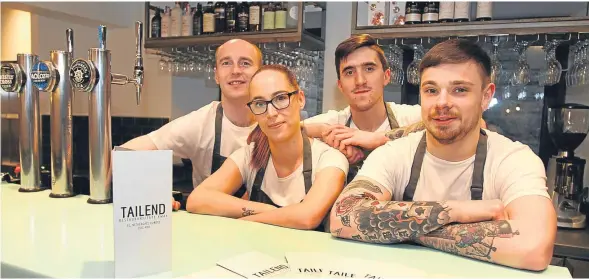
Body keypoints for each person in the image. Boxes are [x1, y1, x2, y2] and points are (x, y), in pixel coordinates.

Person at [329, 39, 556, 271]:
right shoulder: (395, 153)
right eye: (431, 90)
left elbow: (534, 246)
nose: (442, 103)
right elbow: (342, 217)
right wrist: (456, 211)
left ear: (486, 96)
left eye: (459, 90)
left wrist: (406, 230)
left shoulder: (514, 159)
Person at [186, 64, 349, 232]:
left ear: (300, 99)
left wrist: (243, 221)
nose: (271, 113)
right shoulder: (249, 156)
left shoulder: (329, 159)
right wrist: (267, 210)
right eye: (259, 103)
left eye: (280, 98)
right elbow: (197, 199)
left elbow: (307, 217)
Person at [121, 39, 262, 210]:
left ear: (260, 73)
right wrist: (151, 192)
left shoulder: (275, 121)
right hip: (208, 228)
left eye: (245, 63)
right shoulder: (201, 123)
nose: (235, 71)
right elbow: (126, 155)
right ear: (216, 75)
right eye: (226, 63)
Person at [302, 34, 425, 183]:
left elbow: (453, 124)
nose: (360, 81)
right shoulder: (335, 123)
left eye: (369, 68)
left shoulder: (410, 117)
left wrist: (378, 139)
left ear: (386, 76)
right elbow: (281, 131)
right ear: (340, 85)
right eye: (349, 72)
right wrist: (322, 130)